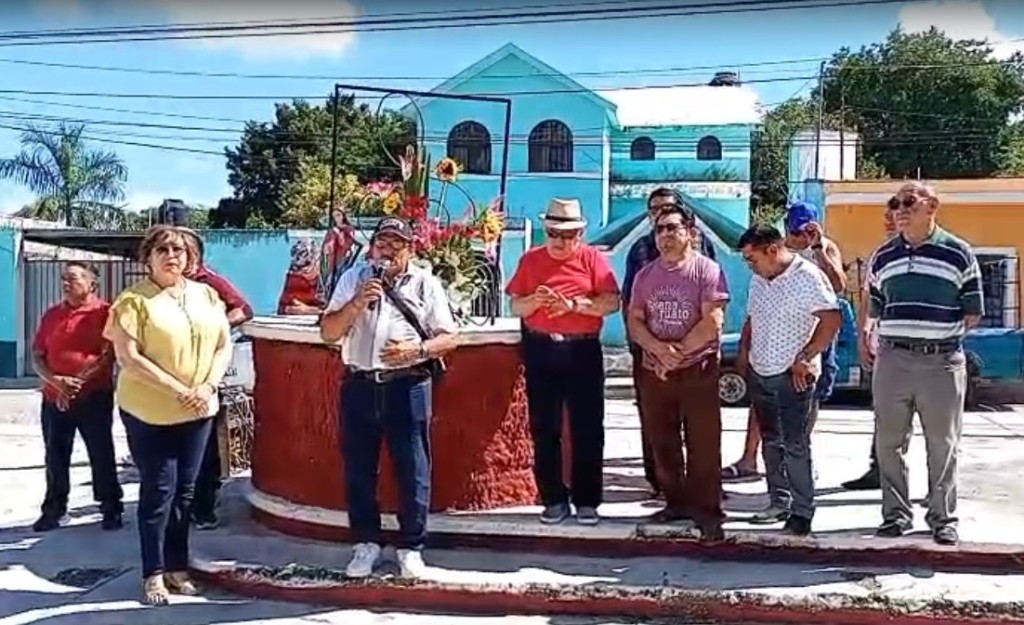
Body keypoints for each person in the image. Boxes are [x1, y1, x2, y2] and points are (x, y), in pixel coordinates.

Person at [320, 217, 459, 580]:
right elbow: (328, 332)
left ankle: (411, 547)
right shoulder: (353, 279)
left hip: (408, 385)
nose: (388, 249)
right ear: (372, 247)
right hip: (360, 384)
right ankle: (366, 543)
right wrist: (356, 302)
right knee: (359, 468)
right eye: (383, 242)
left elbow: (449, 337)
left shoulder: (426, 283)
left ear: (410, 249)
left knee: (413, 468)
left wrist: (418, 349)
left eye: (397, 243)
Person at [104, 225, 234, 605]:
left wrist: (207, 387)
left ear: (190, 258)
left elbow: (223, 345)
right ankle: (153, 573)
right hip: (150, 412)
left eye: (179, 249)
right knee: (159, 491)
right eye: (162, 249)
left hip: (199, 410)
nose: (171, 255)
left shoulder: (206, 295)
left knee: (186, 493)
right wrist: (180, 391)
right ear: (148, 257)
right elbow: (129, 358)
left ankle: (178, 567)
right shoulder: (133, 301)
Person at [865, 181, 982, 546]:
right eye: (894, 203)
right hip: (893, 360)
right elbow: (875, 307)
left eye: (908, 202)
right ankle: (895, 515)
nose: (899, 209)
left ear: (932, 206)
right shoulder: (883, 256)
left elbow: (973, 312)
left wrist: (938, 338)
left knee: (943, 444)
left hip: (941, 362)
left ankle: (943, 518)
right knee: (888, 443)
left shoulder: (958, 253)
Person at [506, 198, 621, 526]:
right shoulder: (531, 260)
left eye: (568, 235)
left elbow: (611, 302)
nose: (560, 240)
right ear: (546, 230)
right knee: (545, 427)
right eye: (554, 233)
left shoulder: (592, 259)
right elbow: (516, 307)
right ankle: (553, 498)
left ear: (580, 234)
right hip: (542, 348)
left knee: (588, 427)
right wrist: (535, 300)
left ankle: (587, 501)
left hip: (582, 349)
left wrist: (572, 305)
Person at [722, 202, 844, 483]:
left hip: (812, 335)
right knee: (763, 403)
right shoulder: (770, 255)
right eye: (793, 229)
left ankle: (798, 465)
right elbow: (753, 315)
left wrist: (817, 248)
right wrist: (744, 349)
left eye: (803, 229)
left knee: (804, 400)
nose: (798, 235)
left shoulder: (822, 251)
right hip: (770, 342)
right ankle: (752, 459)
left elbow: (837, 287)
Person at [627, 204, 729, 541]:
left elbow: (712, 322)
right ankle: (675, 502)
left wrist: (677, 352)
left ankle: (708, 512)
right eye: (660, 230)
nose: (666, 236)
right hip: (655, 369)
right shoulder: (645, 275)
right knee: (662, 439)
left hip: (697, 367)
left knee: (703, 441)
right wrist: (658, 350)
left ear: (690, 233)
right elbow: (635, 321)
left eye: (673, 228)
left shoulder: (707, 271)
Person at [738, 225, 842, 536]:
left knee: (795, 444)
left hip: (792, 375)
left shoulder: (807, 277)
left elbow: (832, 318)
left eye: (751, 258)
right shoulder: (760, 279)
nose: (750, 265)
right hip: (762, 371)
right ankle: (778, 501)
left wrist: (808, 355)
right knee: (771, 441)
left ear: (771, 250)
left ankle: (801, 510)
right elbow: (752, 318)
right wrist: (744, 352)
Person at [30, 261, 123, 532]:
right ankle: (54, 509)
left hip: (93, 396)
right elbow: (38, 356)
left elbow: (109, 355)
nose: (66, 283)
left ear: (91, 283)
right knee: (56, 455)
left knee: (101, 452)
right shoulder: (51, 315)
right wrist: (56, 382)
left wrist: (77, 384)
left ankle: (110, 508)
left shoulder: (105, 313)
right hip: (53, 397)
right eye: (64, 279)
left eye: (73, 278)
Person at [181, 228, 254, 530]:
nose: (173, 256)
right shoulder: (165, 286)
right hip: (173, 373)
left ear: (195, 254)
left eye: (180, 249)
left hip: (206, 373)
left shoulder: (209, 281)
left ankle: (204, 506)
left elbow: (244, 309)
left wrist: (216, 327)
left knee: (205, 441)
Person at [842, 195, 900, 491]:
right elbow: (867, 298)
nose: (890, 221)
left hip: (922, 352)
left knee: (932, 424)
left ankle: (935, 487)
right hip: (885, 347)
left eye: (897, 215)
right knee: (883, 414)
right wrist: (864, 334)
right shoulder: (882, 254)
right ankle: (878, 470)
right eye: (888, 216)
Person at [279, 239, 325, 315]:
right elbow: (284, 308)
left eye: (307, 269)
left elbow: (333, 310)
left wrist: (307, 309)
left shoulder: (329, 278)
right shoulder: (294, 276)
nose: (303, 274)